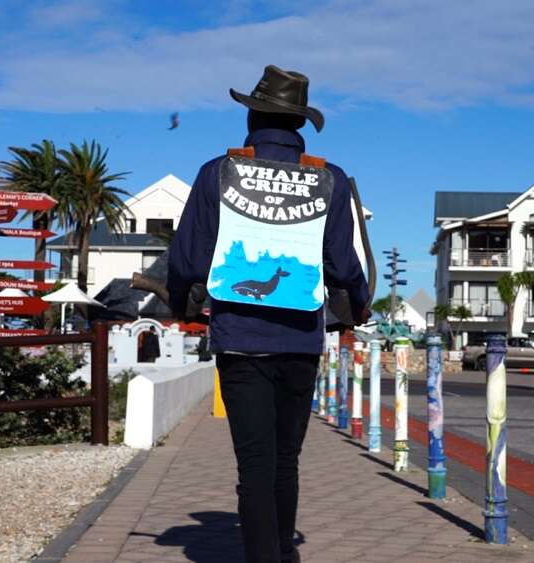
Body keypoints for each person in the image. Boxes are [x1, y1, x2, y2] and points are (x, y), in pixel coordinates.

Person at [167, 65, 371, 563]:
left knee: (254, 463)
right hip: (301, 339)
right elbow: (346, 263)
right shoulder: (330, 178)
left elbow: (187, 259)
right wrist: (357, 305)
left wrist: (182, 305)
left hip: (239, 337)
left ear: (252, 115)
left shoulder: (218, 172)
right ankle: (284, 552)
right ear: (300, 122)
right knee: (286, 460)